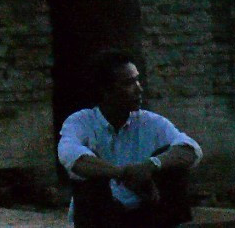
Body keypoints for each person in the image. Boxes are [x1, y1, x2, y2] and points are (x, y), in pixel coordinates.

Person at [56, 50, 202, 228]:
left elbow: (191, 149)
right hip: (101, 217)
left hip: (145, 213)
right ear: (105, 90)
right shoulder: (80, 121)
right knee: (90, 178)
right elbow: (72, 157)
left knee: (172, 163)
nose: (139, 88)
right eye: (128, 83)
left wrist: (150, 165)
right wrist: (124, 174)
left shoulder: (150, 121)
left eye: (137, 80)